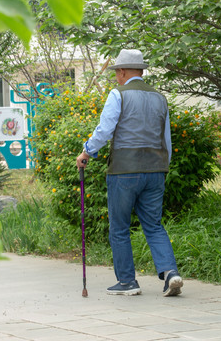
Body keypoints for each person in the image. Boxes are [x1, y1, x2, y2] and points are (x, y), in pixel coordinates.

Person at [76, 49, 183, 296]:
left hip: (124, 171)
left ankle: (127, 282)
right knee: (154, 225)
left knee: (120, 227)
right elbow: (165, 138)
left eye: (116, 73)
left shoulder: (118, 94)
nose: (116, 78)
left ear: (122, 72)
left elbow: (105, 130)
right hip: (156, 169)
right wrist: (162, 166)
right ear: (141, 71)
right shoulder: (159, 98)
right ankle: (171, 273)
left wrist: (87, 152)